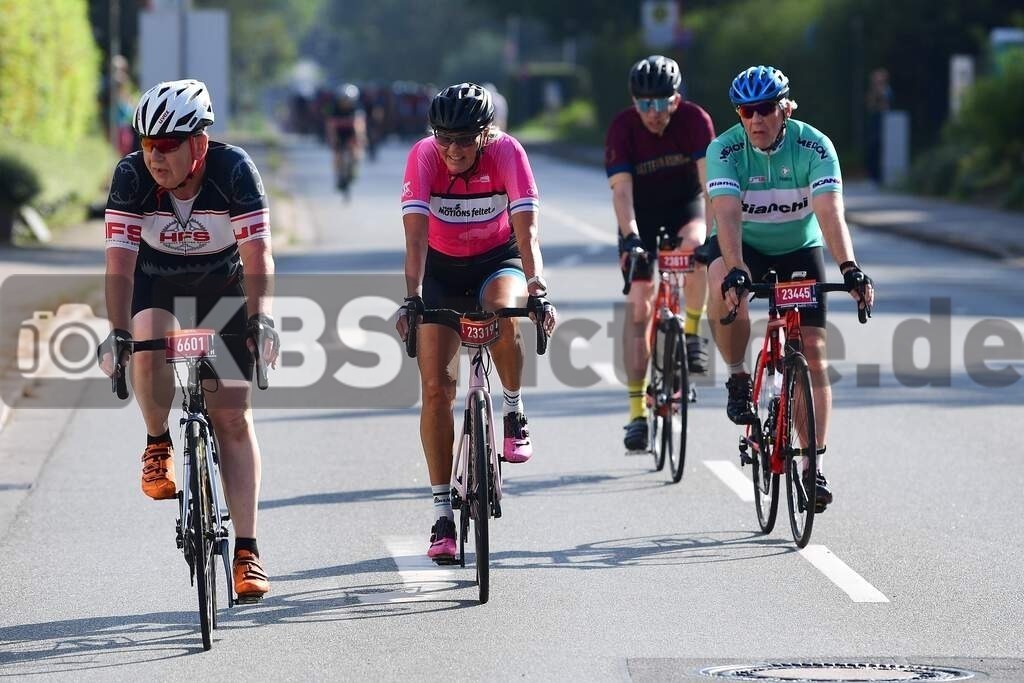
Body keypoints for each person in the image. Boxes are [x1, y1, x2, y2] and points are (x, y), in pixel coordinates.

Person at [97, 79, 280, 600]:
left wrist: (261, 319)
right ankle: (158, 443)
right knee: (147, 332)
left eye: (167, 145)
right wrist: (116, 334)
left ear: (199, 144)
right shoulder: (131, 176)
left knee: (232, 415)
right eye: (147, 144)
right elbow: (118, 268)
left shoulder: (235, 172)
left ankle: (247, 550)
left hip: (224, 289)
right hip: (157, 286)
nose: (154, 156)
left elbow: (259, 258)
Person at [395, 82, 556, 562]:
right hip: (442, 270)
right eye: (444, 138)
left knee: (505, 307)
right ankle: (443, 512)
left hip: (497, 260)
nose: (453, 149)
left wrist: (538, 289)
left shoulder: (508, 152)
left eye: (465, 140)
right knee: (436, 389)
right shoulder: (423, 157)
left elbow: (527, 231)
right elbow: (416, 241)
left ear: (487, 134)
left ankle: (513, 408)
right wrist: (411, 300)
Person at [704, 65, 875, 511]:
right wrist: (738, 270)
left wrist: (850, 267)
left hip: (800, 249)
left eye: (764, 110)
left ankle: (811, 464)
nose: (755, 120)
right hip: (747, 247)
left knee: (814, 354)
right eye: (746, 111)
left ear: (786, 108)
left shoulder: (814, 145)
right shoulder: (725, 148)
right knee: (721, 278)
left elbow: (829, 210)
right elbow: (725, 215)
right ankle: (740, 377)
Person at [604, 55, 715, 452]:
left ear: (676, 99)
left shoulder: (695, 121)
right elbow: (621, 192)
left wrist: (715, 233)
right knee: (638, 307)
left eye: (660, 103)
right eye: (643, 104)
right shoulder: (622, 128)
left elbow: (709, 186)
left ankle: (690, 334)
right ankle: (636, 414)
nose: (652, 113)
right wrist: (631, 238)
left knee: (698, 247)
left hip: (684, 208)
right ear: (634, 103)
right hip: (641, 217)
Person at [325, 83, 367, 195]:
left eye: (348, 100)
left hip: (351, 131)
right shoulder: (334, 107)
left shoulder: (357, 107)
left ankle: (353, 169)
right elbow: (330, 125)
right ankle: (338, 175)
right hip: (338, 132)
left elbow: (360, 124)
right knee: (337, 154)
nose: (346, 102)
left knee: (357, 152)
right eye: (343, 100)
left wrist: (360, 139)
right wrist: (333, 139)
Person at [864, 68, 893, 184]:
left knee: (881, 149)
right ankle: (873, 176)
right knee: (872, 149)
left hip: (885, 124)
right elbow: (870, 105)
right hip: (874, 123)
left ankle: (881, 177)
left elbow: (886, 106)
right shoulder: (872, 91)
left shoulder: (887, 91)